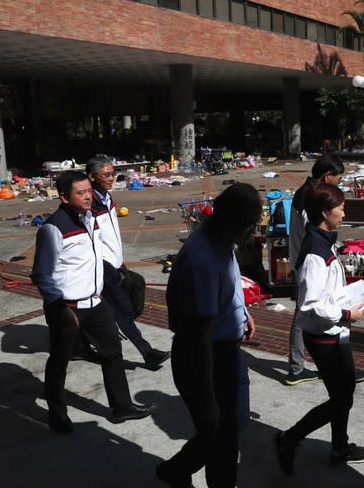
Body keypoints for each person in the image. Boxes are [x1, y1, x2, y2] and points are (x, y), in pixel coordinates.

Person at [31, 171, 156, 434]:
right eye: (81, 192)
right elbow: (41, 274)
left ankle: (121, 408)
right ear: (64, 197)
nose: (88, 196)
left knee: (112, 353)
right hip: (67, 308)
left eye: (89, 190)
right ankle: (57, 413)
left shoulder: (91, 220)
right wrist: (58, 307)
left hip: (96, 303)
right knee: (60, 360)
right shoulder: (53, 228)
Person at [156, 183, 261, 488]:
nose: (253, 230)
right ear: (232, 219)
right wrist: (206, 398)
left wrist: (241, 312)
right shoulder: (201, 259)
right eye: (250, 223)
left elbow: (225, 286)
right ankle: (180, 472)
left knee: (232, 426)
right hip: (204, 359)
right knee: (221, 441)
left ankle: (175, 470)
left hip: (227, 352)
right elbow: (197, 335)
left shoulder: (222, 239)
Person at [275, 182, 364, 475]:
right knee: (341, 398)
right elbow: (310, 304)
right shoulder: (316, 253)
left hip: (336, 332)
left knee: (344, 393)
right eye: (340, 207)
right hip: (324, 335)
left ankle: (339, 446)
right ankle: (289, 439)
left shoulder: (323, 240)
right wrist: (345, 312)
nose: (344, 212)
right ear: (324, 212)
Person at [285, 155, 364, 386]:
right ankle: (299, 367)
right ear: (326, 176)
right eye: (338, 179)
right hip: (311, 263)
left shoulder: (306, 193)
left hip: (311, 259)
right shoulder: (310, 200)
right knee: (304, 313)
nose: (339, 184)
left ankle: (332, 366)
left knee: (305, 312)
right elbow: (311, 306)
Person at [86, 155, 171, 370]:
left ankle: (83, 341)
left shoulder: (106, 197)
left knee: (134, 288)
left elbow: (111, 232)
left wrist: (119, 257)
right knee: (122, 307)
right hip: (103, 265)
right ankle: (147, 352)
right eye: (106, 175)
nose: (111, 178)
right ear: (92, 177)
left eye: (112, 174)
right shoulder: (89, 204)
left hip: (115, 261)